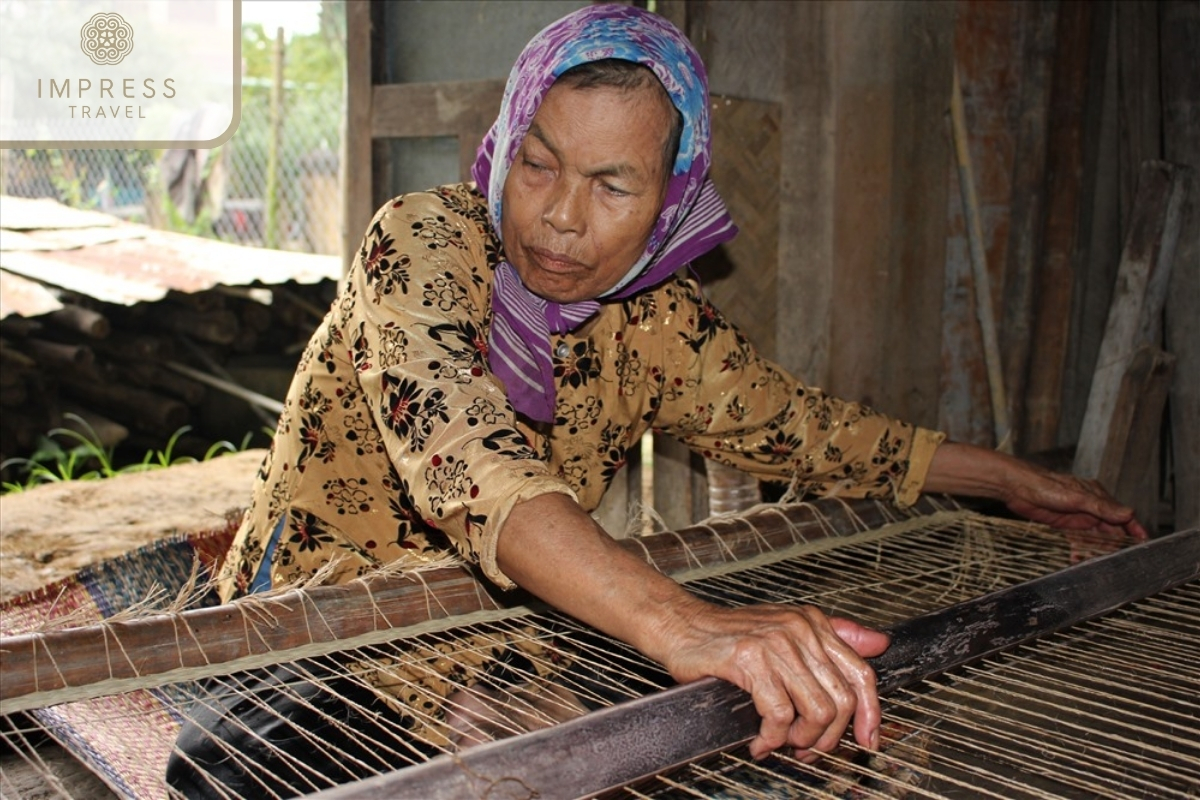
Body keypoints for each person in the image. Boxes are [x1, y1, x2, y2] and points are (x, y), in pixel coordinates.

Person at [167, 5, 1145, 797]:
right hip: (327, 611)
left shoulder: (656, 319)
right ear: (503, 141)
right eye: (538, 161)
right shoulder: (422, 244)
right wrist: (679, 623)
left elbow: (809, 430)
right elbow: (465, 455)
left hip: (504, 617)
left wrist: (1015, 479)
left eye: (611, 185)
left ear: (671, 197)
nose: (558, 213)